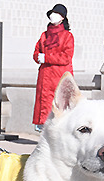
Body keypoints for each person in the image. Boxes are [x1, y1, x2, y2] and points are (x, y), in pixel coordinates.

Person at [32, 3, 74, 131]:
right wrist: (38, 57)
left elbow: (66, 57)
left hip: (59, 76)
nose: (53, 16)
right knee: (43, 106)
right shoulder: (44, 35)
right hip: (44, 76)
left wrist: (47, 58)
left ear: (62, 18)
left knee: (58, 106)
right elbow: (36, 52)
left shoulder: (67, 36)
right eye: (52, 13)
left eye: (57, 14)